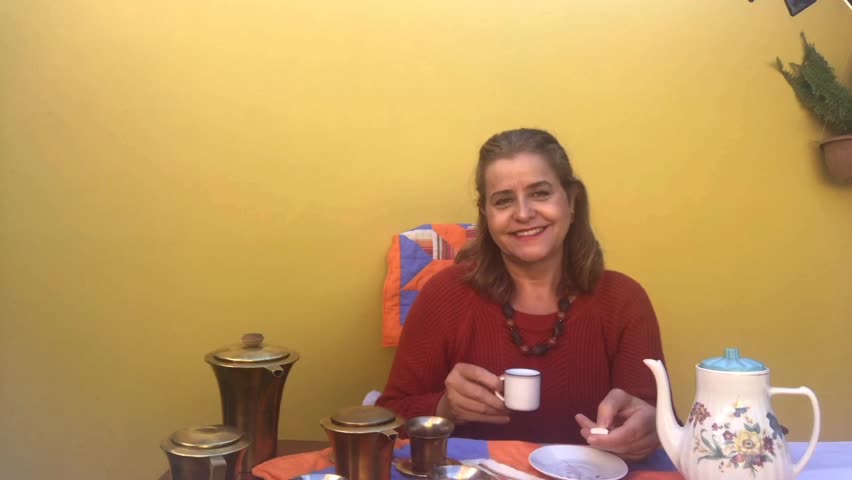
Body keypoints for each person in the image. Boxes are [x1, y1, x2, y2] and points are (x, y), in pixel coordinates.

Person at [376, 128, 666, 462]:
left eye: (540, 193)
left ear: (572, 200)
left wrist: (648, 430)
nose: (524, 214)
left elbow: (658, 425)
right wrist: (444, 408)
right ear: (486, 214)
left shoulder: (624, 300)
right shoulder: (445, 294)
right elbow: (387, 419)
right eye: (503, 200)